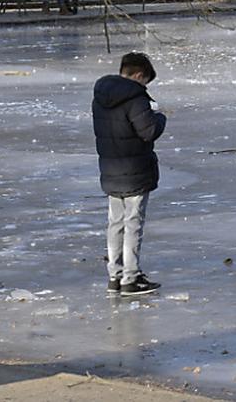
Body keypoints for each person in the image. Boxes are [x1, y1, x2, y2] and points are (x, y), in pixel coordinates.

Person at [92, 52, 167, 296]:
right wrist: (160, 117)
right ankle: (130, 278)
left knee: (115, 223)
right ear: (138, 76)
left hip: (111, 168)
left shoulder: (101, 96)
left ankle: (115, 275)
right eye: (145, 81)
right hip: (135, 170)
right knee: (133, 223)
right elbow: (148, 131)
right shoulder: (136, 97)